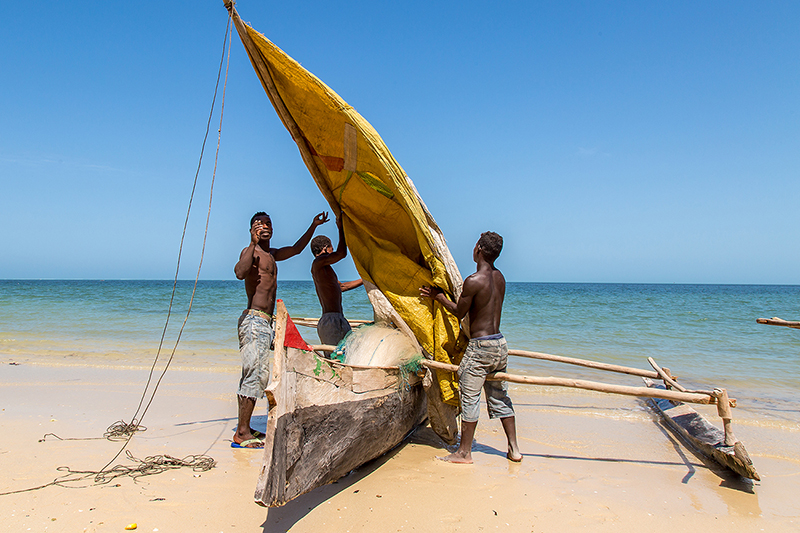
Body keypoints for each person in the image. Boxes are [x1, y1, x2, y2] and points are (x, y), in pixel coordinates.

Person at [420, 231, 522, 463]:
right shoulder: (500, 278)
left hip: (480, 348)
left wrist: (438, 296)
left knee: (470, 396)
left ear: (478, 250)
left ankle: (464, 453)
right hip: (499, 344)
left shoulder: (474, 281)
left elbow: (459, 312)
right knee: (499, 395)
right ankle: (514, 449)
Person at [232, 210, 329, 448]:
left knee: (265, 373)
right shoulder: (251, 252)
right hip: (254, 319)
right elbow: (239, 273)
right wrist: (252, 244)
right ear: (252, 229)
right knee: (254, 373)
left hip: (267, 320)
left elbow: (296, 249)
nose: (264, 226)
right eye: (258, 223)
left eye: (267, 223)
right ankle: (241, 433)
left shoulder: (271, 255)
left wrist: (313, 225)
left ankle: (248, 428)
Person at [310, 215, 363, 348]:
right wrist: (341, 229)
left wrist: (365, 280)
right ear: (325, 248)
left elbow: (342, 287)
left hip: (338, 318)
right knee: (335, 360)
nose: (332, 251)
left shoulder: (325, 269)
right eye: (331, 248)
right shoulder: (318, 263)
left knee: (346, 356)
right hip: (331, 320)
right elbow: (341, 254)